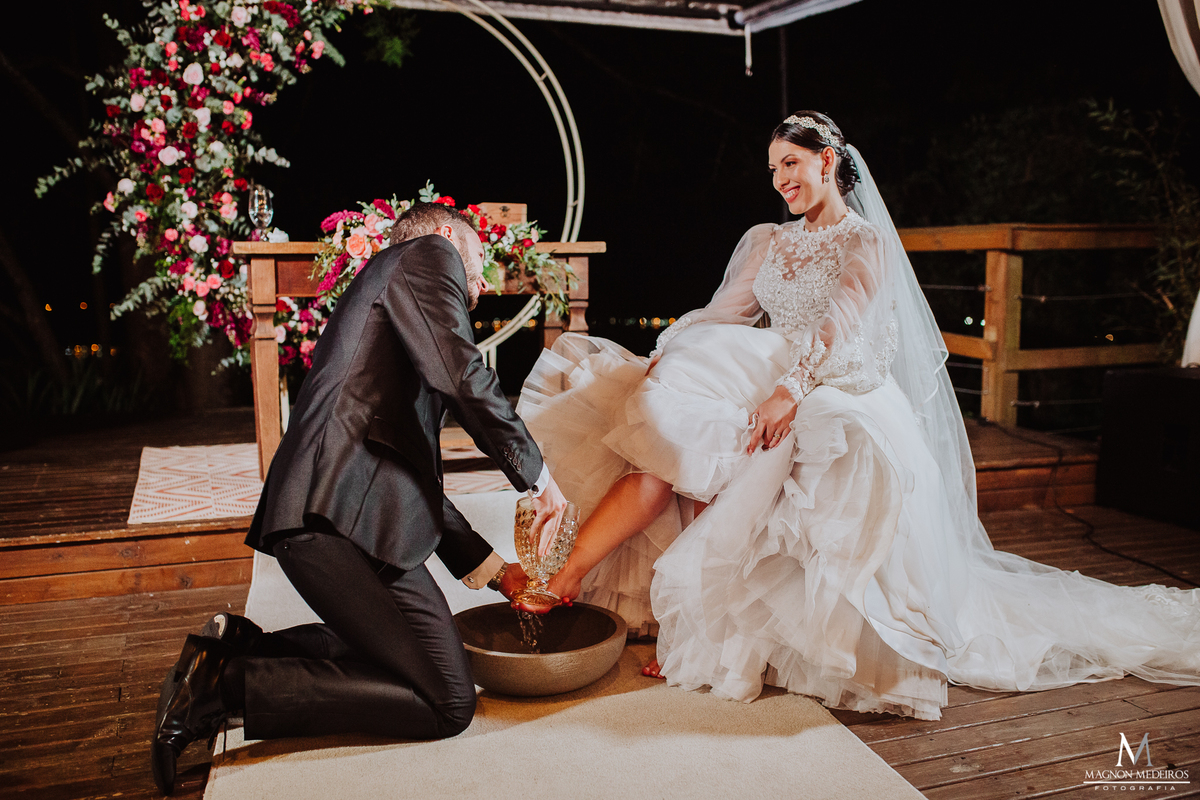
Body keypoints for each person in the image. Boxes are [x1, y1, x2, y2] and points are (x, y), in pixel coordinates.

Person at [515, 111, 1200, 720]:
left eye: (791, 163)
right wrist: (667, 348)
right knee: (666, 424)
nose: (781, 179)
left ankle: (653, 613)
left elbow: (838, 327)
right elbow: (724, 313)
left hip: (826, 372)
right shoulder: (768, 239)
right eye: (773, 169)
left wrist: (791, 390)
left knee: (724, 440)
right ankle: (597, 590)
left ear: (827, 161)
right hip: (759, 362)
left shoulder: (863, 242)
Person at [150, 202, 567, 794]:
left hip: (352, 513)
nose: (483, 280)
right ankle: (223, 688)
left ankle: (232, 652)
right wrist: (539, 480)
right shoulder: (428, 255)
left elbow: (413, 477)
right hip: (332, 516)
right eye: (479, 259)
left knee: (419, 658)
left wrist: (502, 574)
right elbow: (466, 377)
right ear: (448, 235)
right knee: (448, 702)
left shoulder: (399, 308)